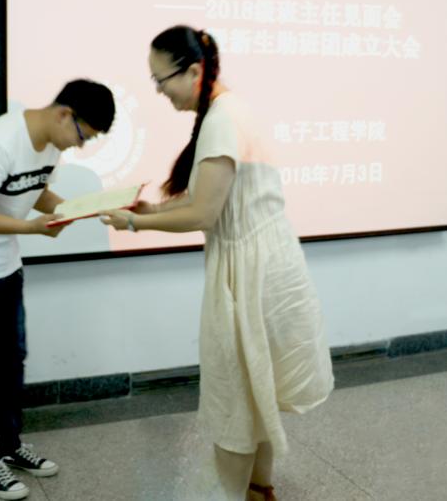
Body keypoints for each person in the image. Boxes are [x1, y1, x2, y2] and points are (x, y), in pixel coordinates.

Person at [100, 26, 334, 501]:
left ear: (193, 70)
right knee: (253, 392)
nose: (159, 91)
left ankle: (236, 492)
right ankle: (258, 490)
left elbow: (204, 213)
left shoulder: (222, 119)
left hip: (249, 274)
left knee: (235, 400)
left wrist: (135, 223)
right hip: (262, 265)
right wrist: (153, 210)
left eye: (161, 79)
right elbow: (211, 200)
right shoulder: (228, 112)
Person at [0, 80, 115, 500]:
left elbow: (34, 191)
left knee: (12, 358)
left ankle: (10, 445)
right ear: (64, 114)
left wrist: (75, 209)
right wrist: (31, 229)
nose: (79, 145)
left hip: (5, 264)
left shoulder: (50, 144)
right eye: (83, 135)